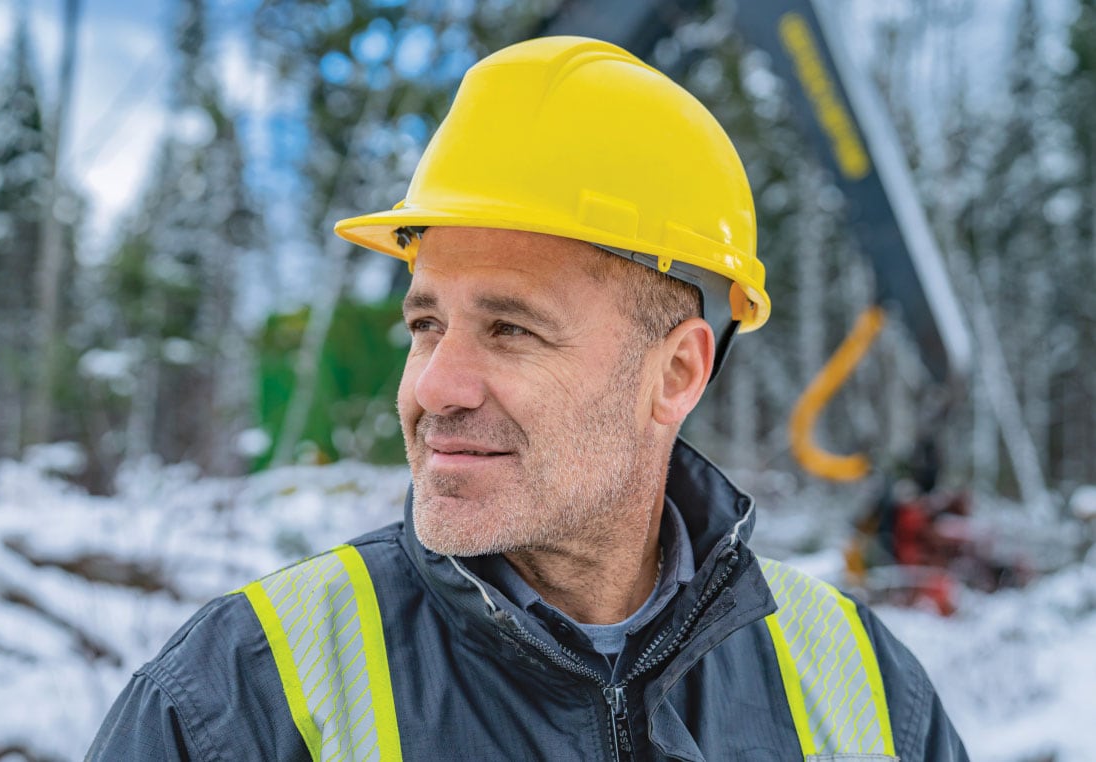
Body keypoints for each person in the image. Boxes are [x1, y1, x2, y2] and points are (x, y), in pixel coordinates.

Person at [88, 36, 969, 760]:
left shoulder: (863, 693)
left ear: (676, 375)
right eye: (426, 324)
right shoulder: (240, 698)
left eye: (511, 330)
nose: (435, 386)